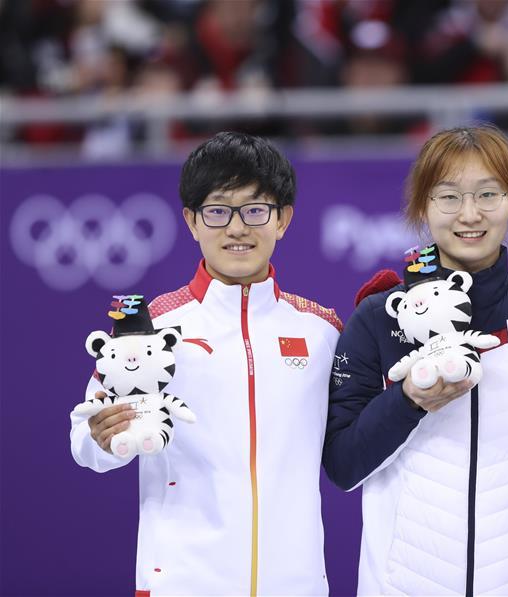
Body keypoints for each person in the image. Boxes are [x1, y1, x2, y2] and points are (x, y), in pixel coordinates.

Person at [69, 132, 342, 596]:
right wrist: (101, 435)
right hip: (183, 580)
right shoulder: (148, 329)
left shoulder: (322, 330)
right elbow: (85, 441)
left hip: (297, 582)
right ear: (192, 222)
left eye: (256, 210)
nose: (237, 228)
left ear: (283, 220)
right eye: (218, 211)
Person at [323, 125, 508, 596]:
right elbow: (342, 465)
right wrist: (408, 400)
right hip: (401, 585)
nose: (469, 214)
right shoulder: (379, 316)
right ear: (423, 208)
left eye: (488, 194)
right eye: (448, 197)